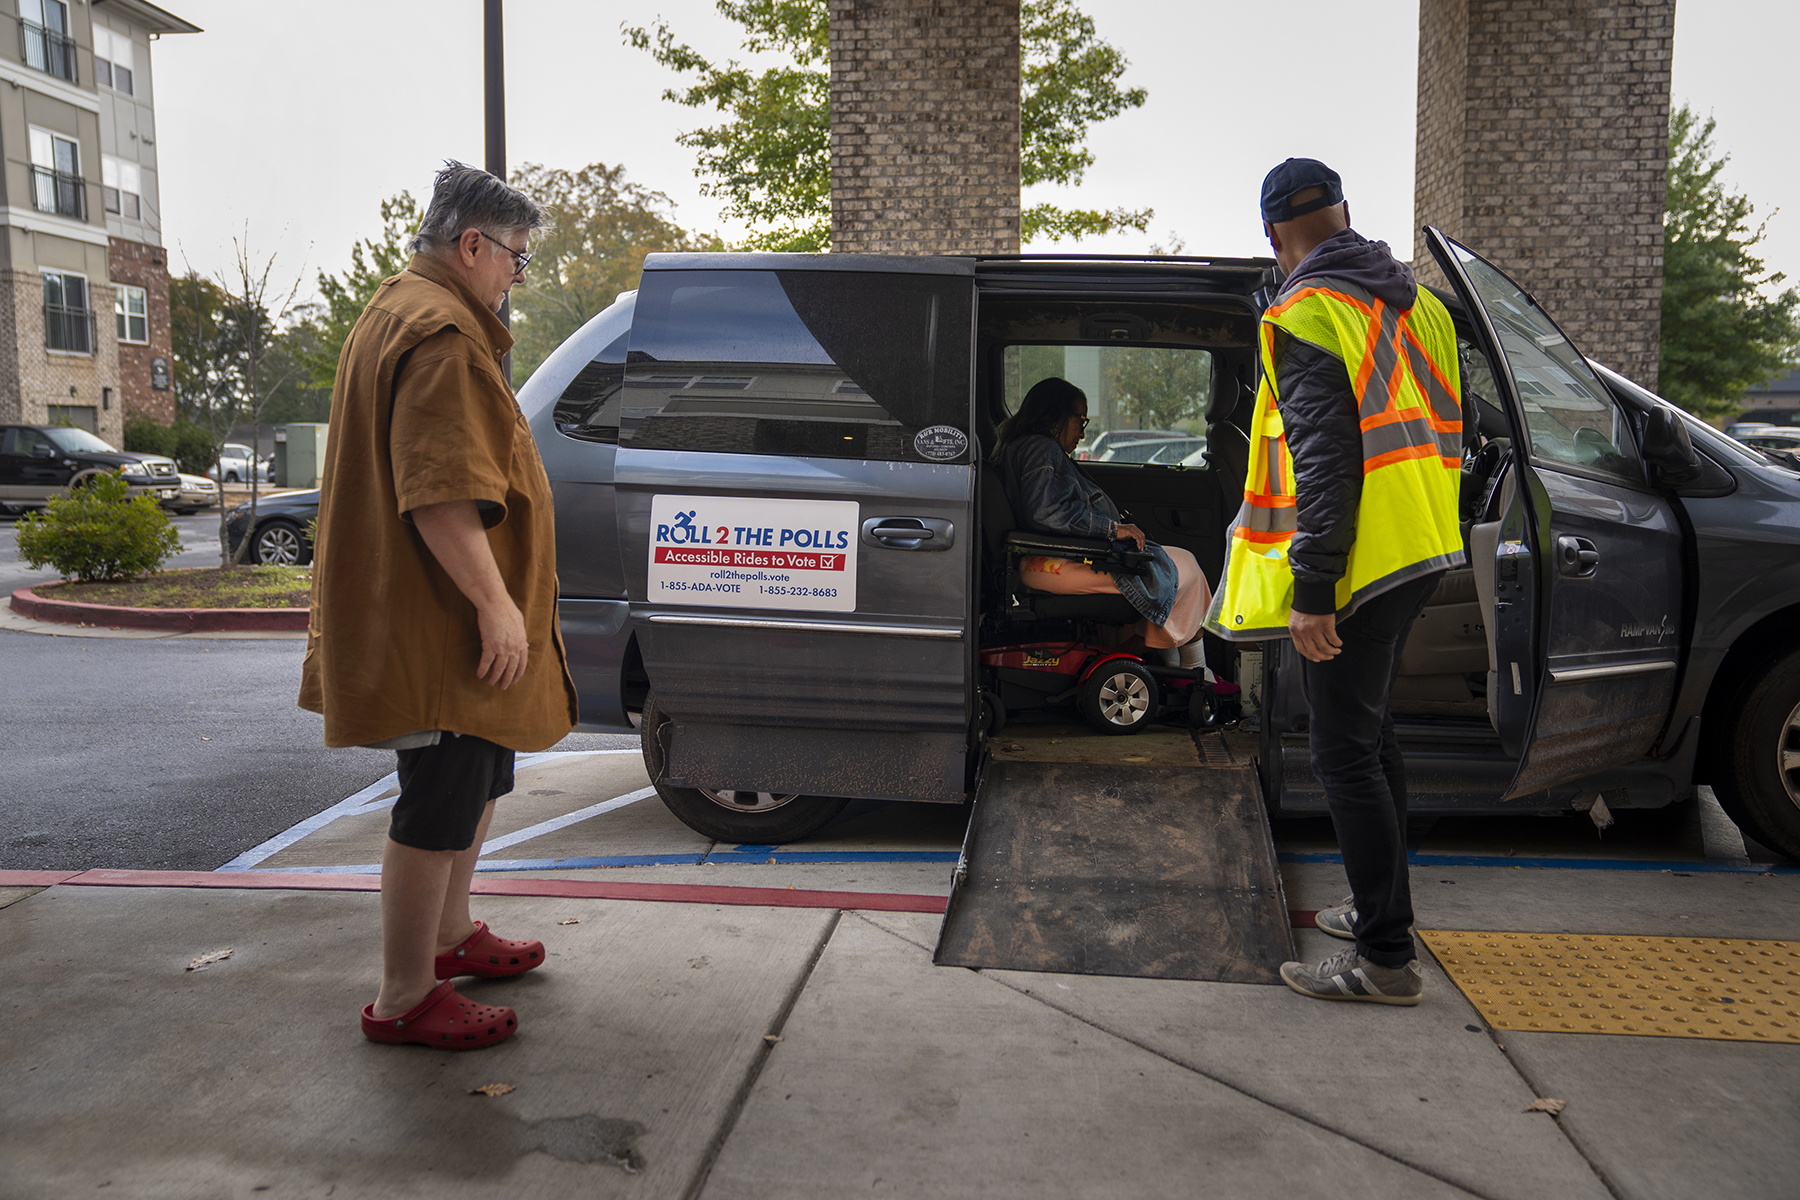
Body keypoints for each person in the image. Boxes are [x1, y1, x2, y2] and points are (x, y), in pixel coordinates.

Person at [299, 162, 579, 1049]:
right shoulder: (445, 336)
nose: (517, 276)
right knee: (438, 800)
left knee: (478, 778)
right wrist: (499, 609)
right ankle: (404, 996)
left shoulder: (399, 310)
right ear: (472, 245)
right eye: (516, 259)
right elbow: (440, 496)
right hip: (442, 624)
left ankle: (453, 936)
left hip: (440, 616)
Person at [1205, 159, 1464, 1005]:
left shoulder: (1308, 311)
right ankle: (1379, 912)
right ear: (1347, 213)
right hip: (1423, 545)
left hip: (1356, 566)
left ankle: (1386, 962)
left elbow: (1323, 461)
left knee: (1342, 751)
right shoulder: (1418, 305)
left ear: (1273, 236)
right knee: (1369, 734)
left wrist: (1313, 586)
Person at [996, 377, 1210, 661]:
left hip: (1056, 556)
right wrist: (1111, 530)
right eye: (1081, 421)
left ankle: (1168, 670)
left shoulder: (1028, 448)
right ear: (1057, 414)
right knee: (1187, 570)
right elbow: (1046, 513)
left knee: (1175, 567)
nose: (1082, 434)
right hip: (1052, 562)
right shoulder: (1041, 450)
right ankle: (1187, 669)